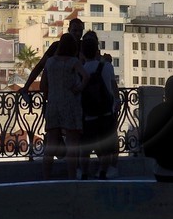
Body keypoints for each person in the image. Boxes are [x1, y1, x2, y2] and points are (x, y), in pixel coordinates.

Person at [39, 32, 85, 179]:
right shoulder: (73, 62)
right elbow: (86, 76)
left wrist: (47, 94)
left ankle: (46, 176)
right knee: (72, 142)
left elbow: (44, 82)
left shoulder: (50, 62)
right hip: (70, 103)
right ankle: (71, 176)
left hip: (53, 103)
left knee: (51, 143)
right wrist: (78, 88)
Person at [78, 31, 119, 179]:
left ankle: (84, 172)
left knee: (85, 148)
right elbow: (112, 87)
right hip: (106, 113)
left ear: (82, 52)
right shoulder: (106, 66)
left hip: (88, 114)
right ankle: (103, 171)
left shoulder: (81, 70)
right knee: (106, 147)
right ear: (97, 50)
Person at [23, 17, 84, 92]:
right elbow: (40, 66)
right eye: (75, 30)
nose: (78, 33)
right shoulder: (56, 46)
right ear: (69, 30)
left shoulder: (84, 46)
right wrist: (26, 86)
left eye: (80, 31)